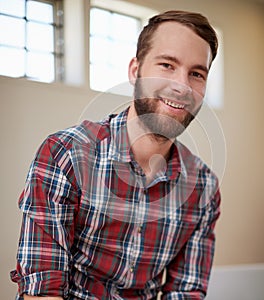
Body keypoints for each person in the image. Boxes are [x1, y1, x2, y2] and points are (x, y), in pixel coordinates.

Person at [11, 10, 221, 300]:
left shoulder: (203, 186)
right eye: (167, 65)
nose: (181, 85)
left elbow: (185, 292)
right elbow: (42, 291)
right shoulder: (65, 155)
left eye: (196, 74)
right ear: (135, 70)